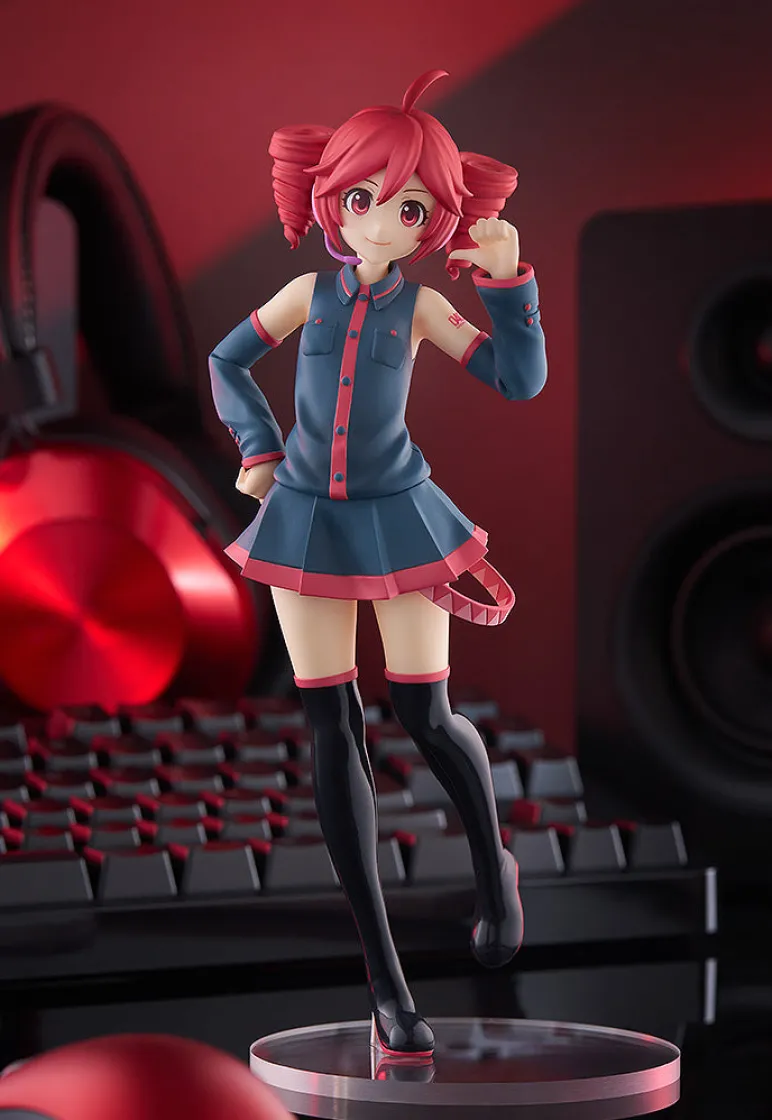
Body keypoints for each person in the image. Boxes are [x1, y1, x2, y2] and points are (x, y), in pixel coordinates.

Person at [209, 68, 547, 1057]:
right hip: (303, 522)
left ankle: (493, 869)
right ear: (330, 200)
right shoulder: (304, 294)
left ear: (432, 221)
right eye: (362, 199)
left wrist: (508, 282)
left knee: (424, 713)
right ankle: (387, 987)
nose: (382, 222)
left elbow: (517, 380)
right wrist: (259, 448)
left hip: (401, 519)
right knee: (331, 727)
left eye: (408, 208)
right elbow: (226, 360)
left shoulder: (424, 309)